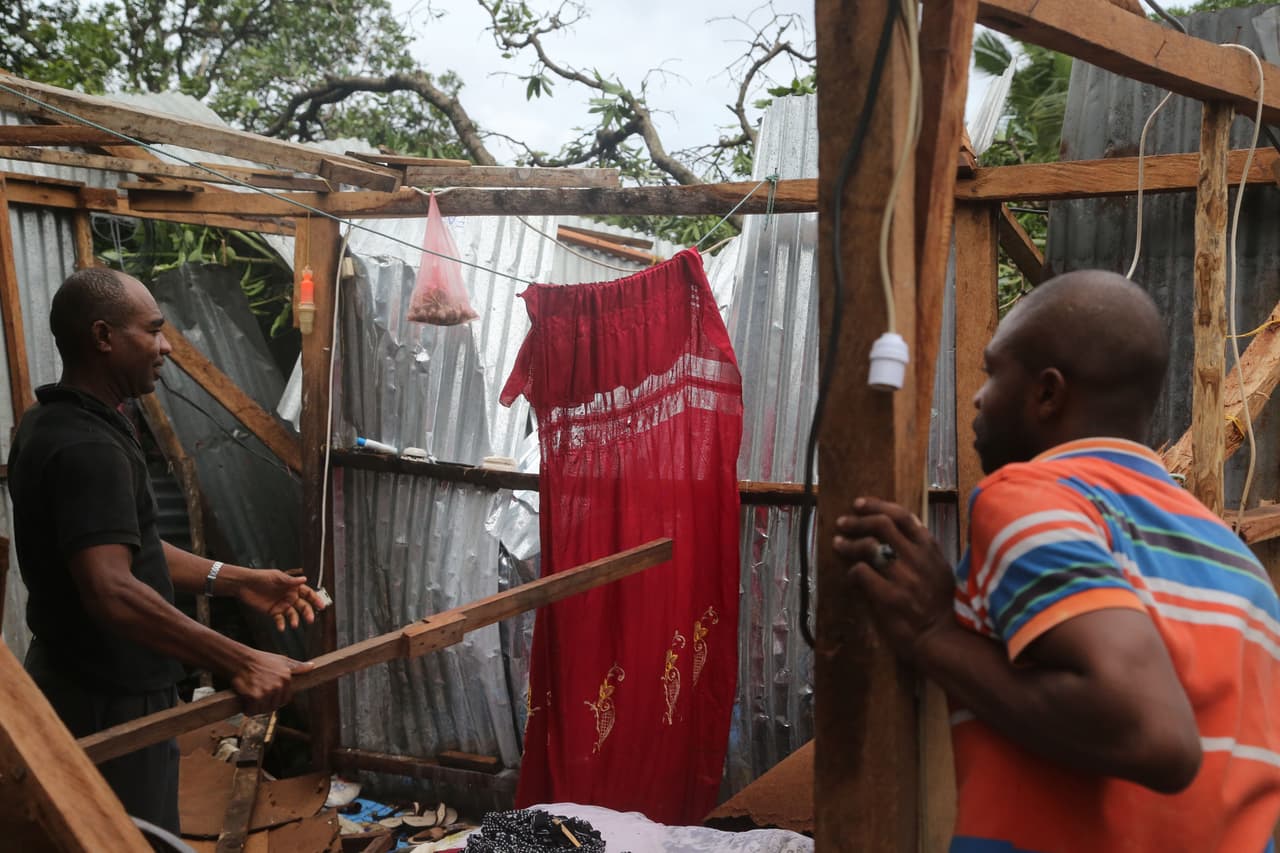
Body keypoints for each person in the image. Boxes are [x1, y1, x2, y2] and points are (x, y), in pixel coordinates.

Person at [833, 270, 1280, 851]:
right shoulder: (1243, 567)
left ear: (1047, 393)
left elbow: (1155, 736)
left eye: (992, 373)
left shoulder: (1030, 496)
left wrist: (933, 633)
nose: (977, 396)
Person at [7, 267, 327, 834]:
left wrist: (238, 580)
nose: (164, 346)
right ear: (103, 337)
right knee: (124, 840)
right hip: (109, 701)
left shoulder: (51, 423)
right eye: (152, 331)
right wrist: (242, 659)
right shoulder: (88, 446)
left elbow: (132, 550)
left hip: (78, 682)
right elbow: (112, 589)